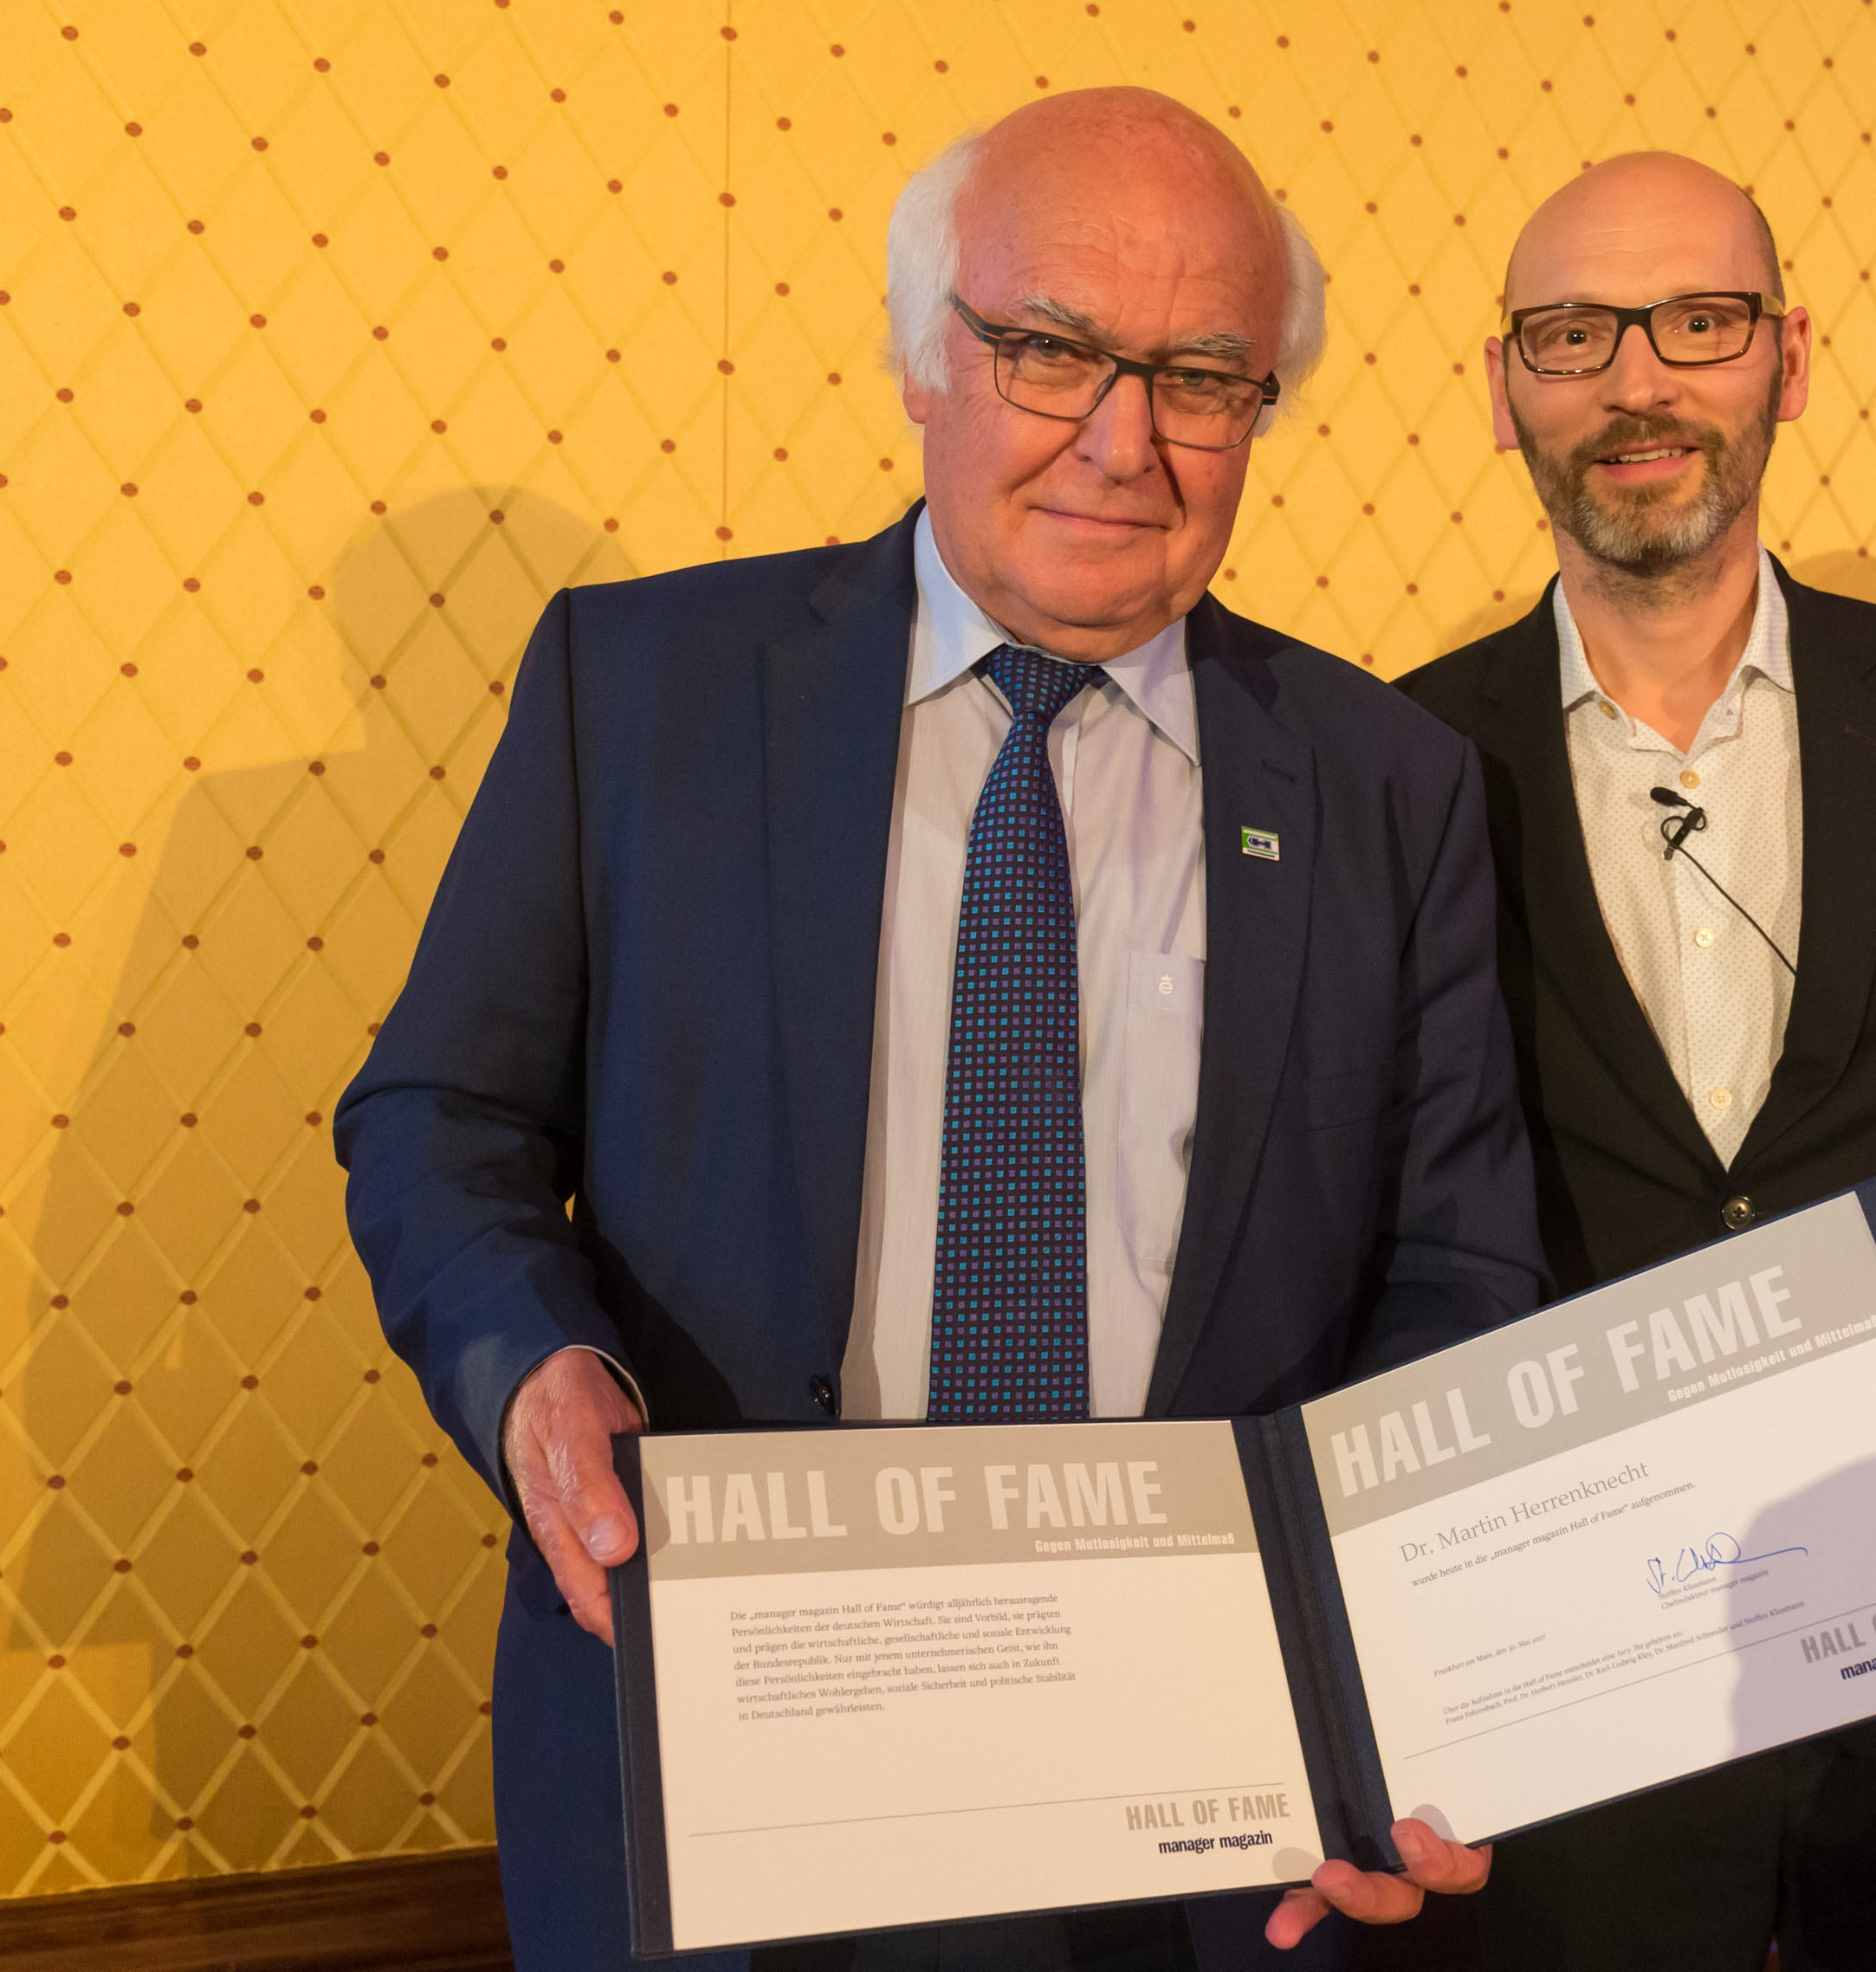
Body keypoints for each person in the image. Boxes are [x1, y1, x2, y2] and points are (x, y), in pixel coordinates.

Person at [336, 87, 1542, 1972]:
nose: (1122, 441)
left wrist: (1405, 1671)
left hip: (1210, 1831)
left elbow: (1457, 1273)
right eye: (1050, 349)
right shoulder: (638, 690)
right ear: (924, 357)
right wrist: (532, 1372)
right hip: (721, 1752)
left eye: (1201, 378)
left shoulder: (1394, 782)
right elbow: (439, 1114)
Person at [1399, 152, 1876, 1971]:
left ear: (1789, 357)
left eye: (1699, 321)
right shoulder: (1400, 763)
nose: (1639, 382)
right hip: (1564, 1720)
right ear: (1502, 391)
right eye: (1573, 334)